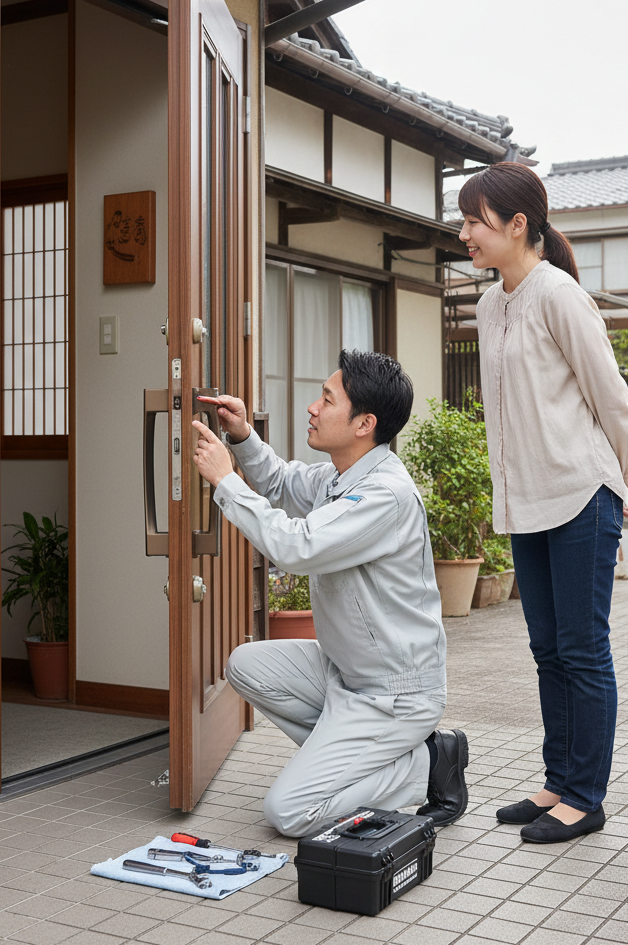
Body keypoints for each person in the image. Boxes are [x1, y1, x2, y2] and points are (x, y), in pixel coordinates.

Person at [190, 350, 468, 838]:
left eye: (326, 399)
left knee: (288, 813)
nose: (312, 409)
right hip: (346, 673)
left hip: (393, 695)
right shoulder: (339, 476)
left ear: (365, 423)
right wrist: (242, 437)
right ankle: (345, 762)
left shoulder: (384, 495)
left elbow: (296, 547)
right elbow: (279, 482)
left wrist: (226, 479)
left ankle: (427, 764)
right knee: (243, 665)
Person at [461, 162, 628, 845]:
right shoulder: (488, 304)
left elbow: (611, 398)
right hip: (526, 501)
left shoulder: (558, 295)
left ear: (517, 225)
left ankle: (585, 797)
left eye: (476, 220)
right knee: (547, 650)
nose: (465, 232)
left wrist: (621, 486)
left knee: (582, 650)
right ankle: (557, 782)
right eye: (464, 219)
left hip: (579, 492)